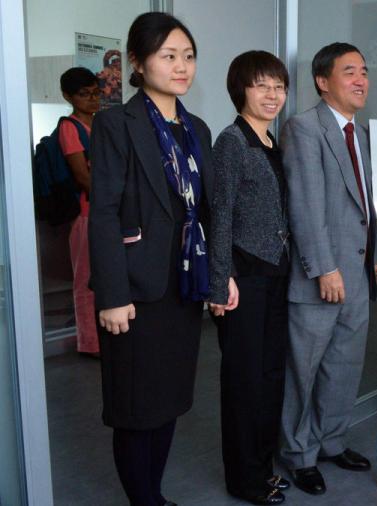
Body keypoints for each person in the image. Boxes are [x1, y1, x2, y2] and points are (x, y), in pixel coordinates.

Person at [89, 12, 213, 506]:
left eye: (187, 56)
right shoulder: (115, 123)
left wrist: (217, 278)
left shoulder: (196, 128)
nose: (181, 66)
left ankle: (154, 495)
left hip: (182, 286)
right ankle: (143, 499)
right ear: (138, 63)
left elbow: (204, 209)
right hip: (136, 290)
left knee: (167, 403)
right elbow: (103, 214)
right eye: (168, 56)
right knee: (136, 407)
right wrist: (113, 296)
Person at [279, 42, 377, 496]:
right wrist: (323, 268)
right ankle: (298, 454)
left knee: (344, 364)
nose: (361, 80)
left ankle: (331, 440)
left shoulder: (361, 134)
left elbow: (368, 207)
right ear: (323, 81)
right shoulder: (304, 128)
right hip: (320, 275)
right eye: (349, 72)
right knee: (304, 369)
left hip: (359, 272)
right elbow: (304, 204)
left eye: (364, 71)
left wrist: (375, 257)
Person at [208, 50, 291, 505]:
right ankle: (243, 479)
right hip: (244, 277)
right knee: (243, 382)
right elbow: (219, 215)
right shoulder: (232, 142)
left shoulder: (272, 142)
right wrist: (221, 281)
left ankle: (263, 469)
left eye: (278, 86)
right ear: (241, 88)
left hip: (276, 273)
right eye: (262, 85)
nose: (272, 95)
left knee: (270, 376)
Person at [59, 66, 100, 356]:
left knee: (102, 278)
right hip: (86, 213)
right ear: (68, 96)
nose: (92, 100)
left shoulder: (99, 124)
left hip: (103, 213)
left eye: (96, 93)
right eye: (84, 95)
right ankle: (89, 343)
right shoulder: (69, 127)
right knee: (85, 280)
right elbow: (81, 176)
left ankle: (103, 338)